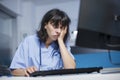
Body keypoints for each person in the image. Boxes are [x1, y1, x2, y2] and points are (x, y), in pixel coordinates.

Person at [10, 8, 76, 76]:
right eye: (55, 26)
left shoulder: (63, 46)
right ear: (45, 25)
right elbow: (14, 71)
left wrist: (61, 41)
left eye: (61, 28)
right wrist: (25, 71)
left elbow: (71, 69)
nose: (58, 31)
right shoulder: (29, 42)